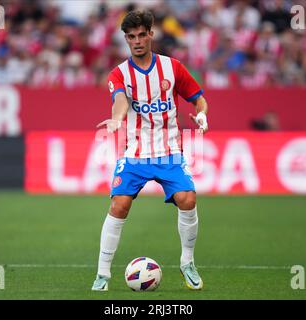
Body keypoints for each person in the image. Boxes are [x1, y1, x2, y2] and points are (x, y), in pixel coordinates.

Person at [92, 10, 209, 291]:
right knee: (119, 205)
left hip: (169, 152)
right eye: (131, 37)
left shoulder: (173, 68)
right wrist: (117, 119)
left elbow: (199, 99)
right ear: (126, 40)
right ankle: (102, 274)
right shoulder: (119, 74)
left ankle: (187, 262)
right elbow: (119, 101)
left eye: (142, 35)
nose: (137, 41)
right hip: (134, 153)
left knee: (188, 199)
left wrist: (202, 114)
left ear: (151, 34)